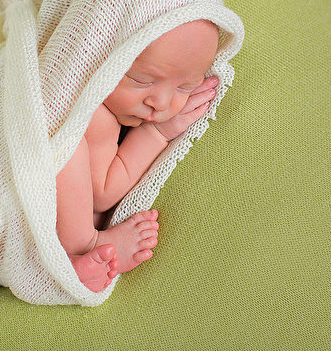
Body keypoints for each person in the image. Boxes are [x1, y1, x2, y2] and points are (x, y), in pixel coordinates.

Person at [56, 19, 221, 292]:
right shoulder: (91, 109)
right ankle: (82, 246)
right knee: (64, 144)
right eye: (142, 80)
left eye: (185, 87)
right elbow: (102, 193)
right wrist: (155, 133)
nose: (162, 103)